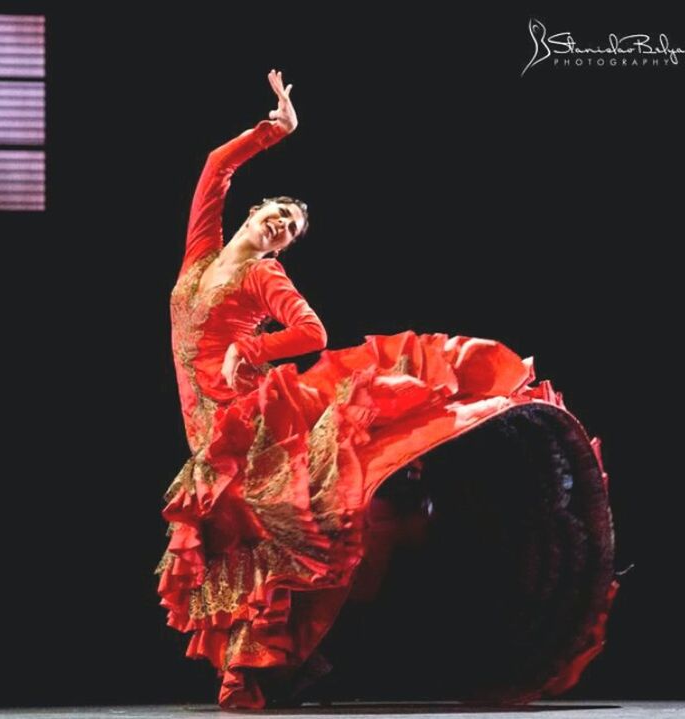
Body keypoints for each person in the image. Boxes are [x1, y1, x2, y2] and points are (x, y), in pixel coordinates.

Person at [155, 70, 620, 710]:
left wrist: (251, 347)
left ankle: (302, 647)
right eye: (278, 214)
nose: (281, 227)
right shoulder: (200, 255)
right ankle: (301, 654)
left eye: (291, 229)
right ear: (256, 209)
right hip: (201, 415)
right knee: (244, 534)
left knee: (282, 521)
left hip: (243, 411)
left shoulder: (265, 277)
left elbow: (310, 330)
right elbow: (214, 169)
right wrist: (273, 131)